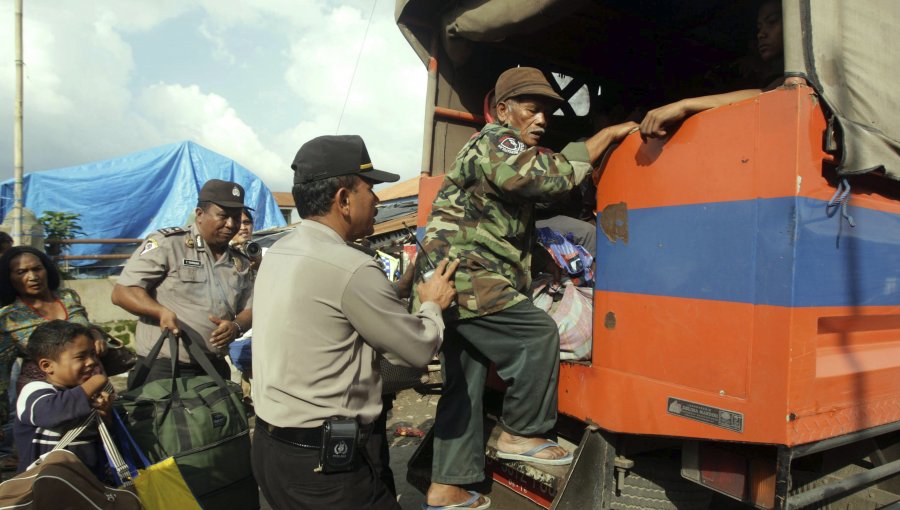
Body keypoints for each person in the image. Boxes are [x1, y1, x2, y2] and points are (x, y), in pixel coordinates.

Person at [416, 66, 638, 509]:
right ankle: (521, 433)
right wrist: (606, 136)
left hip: (454, 277)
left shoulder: (492, 152)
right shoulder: (497, 139)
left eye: (546, 112)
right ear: (503, 110)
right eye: (532, 110)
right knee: (537, 335)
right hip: (469, 277)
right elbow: (546, 178)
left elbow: (500, 225)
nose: (542, 120)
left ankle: (447, 487)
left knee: (467, 381)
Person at [251, 134, 459, 510]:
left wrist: (395, 289)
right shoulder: (352, 267)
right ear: (344, 200)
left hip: (272, 451)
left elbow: (324, 314)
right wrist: (433, 305)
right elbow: (417, 349)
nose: (378, 200)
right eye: (370, 189)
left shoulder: (280, 251)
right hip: (324, 467)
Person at [112, 179, 253, 387]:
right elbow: (122, 292)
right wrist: (160, 312)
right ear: (199, 214)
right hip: (166, 370)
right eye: (223, 216)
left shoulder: (239, 261)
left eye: (235, 217)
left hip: (213, 368)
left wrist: (236, 326)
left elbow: (251, 307)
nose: (231, 224)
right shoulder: (169, 244)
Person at [639, 0, 784, 140]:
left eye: (772, 21)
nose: (761, 34)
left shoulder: (796, 78)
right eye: (759, 28)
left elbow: (769, 93)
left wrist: (685, 105)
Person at [0, 247, 104, 421]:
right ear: (8, 278)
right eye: (22, 272)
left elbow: (84, 327)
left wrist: (96, 333)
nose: (33, 276)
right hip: (49, 396)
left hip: (93, 382)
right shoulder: (8, 318)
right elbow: (1, 372)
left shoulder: (68, 298)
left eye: (37, 269)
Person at [14, 320, 112, 479]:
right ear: (47, 366)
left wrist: (106, 414)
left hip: (89, 483)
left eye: (92, 354)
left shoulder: (87, 394)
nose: (92, 361)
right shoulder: (33, 391)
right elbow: (52, 412)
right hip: (44, 487)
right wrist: (98, 379)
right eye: (81, 357)